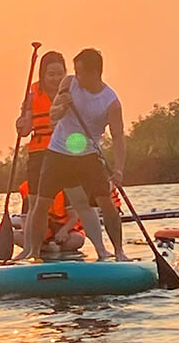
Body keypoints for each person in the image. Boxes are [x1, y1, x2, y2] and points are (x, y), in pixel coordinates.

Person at [16, 48, 127, 261]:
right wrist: (62, 106)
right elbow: (53, 114)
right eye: (74, 71)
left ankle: (118, 252)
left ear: (95, 73)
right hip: (57, 152)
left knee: (106, 202)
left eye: (80, 72)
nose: (75, 76)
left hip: (88, 155)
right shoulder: (68, 83)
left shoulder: (111, 102)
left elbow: (119, 137)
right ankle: (34, 253)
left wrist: (119, 169)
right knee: (41, 202)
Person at [15, 51, 68, 199]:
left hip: (66, 151)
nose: (56, 79)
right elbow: (24, 131)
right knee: (36, 197)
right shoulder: (32, 97)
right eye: (51, 74)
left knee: (71, 196)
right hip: (40, 153)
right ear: (43, 75)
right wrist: (20, 123)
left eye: (60, 74)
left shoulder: (72, 94)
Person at [16, 181, 85, 254]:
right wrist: (27, 232)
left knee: (77, 239)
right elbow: (24, 217)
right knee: (14, 236)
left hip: (63, 229)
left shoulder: (64, 187)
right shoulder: (28, 187)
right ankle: (47, 248)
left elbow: (74, 217)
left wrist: (64, 231)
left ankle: (49, 248)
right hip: (41, 232)